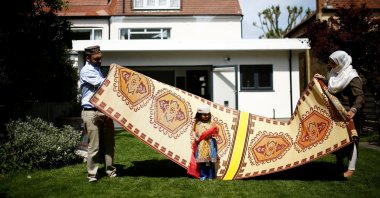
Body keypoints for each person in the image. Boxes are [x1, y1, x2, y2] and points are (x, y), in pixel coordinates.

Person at [314, 50, 365, 178]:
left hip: (350, 114)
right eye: (330, 62)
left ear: (340, 62)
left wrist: (353, 110)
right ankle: (339, 162)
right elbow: (335, 87)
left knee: (352, 141)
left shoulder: (352, 77)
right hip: (337, 112)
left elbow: (360, 97)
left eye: (333, 63)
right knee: (338, 139)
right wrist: (324, 80)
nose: (330, 65)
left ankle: (351, 169)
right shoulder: (335, 74)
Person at [80, 45, 116, 182]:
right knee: (94, 146)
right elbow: (103, 84)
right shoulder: (86, 70)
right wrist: (113, 73)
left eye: (100, 58)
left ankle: (110, 170)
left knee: (109, 143)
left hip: (104, 111)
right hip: (91, 112)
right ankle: (92, 175)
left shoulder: (97, 69)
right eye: (96, 59)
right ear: (88, 58)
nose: (100, 61)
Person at [192, 104, 218, 180]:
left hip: (210, 143)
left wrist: (212, 133)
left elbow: (216, 131)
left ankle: (211, 176)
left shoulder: (211, 122)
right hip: (202, 143)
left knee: (210, 161)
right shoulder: (197, 123)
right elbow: (194, 131)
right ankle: (203, 176)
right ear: (199, 115)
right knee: (202, 161)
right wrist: (196, 137)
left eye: (207, 114)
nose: (206, 116)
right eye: (204, 115)